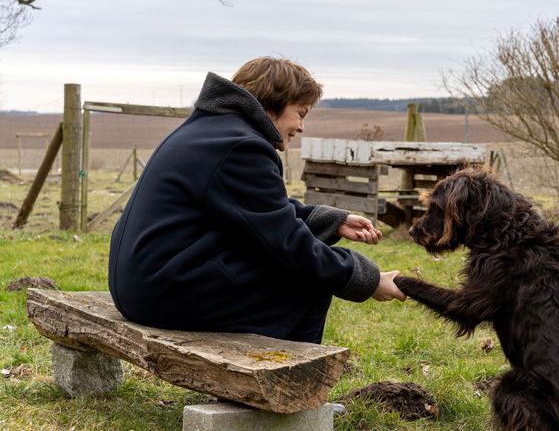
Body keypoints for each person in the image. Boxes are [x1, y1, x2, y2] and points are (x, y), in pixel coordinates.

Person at [108, 57, 406, 344]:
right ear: (273, 104)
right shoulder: (242, 147)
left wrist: (333, 221)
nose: (301, 126)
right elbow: (288, 244)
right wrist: (370, 278)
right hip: (163, 293)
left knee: (293, 267)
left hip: (142, 284)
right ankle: (289, 387)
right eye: (300, 113)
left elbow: (257, 213)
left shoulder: (212, 131)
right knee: (307, 279)